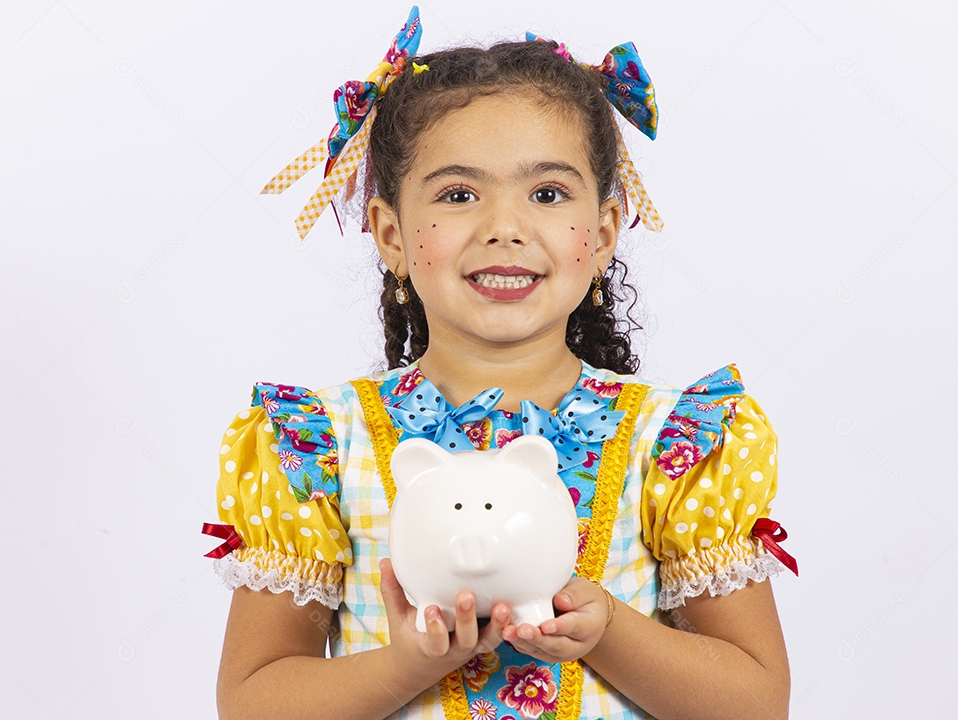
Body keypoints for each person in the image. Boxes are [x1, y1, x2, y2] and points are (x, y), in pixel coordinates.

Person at [200, 6, 798, 719]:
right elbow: (252, 703)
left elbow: (754, 703)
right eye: (458, 194)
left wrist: (607, 629)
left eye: (547, 193)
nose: (505, 228)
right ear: (389, 234)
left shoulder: (675, 445)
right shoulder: (318, 444)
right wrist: (405, 665)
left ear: (604, 232)